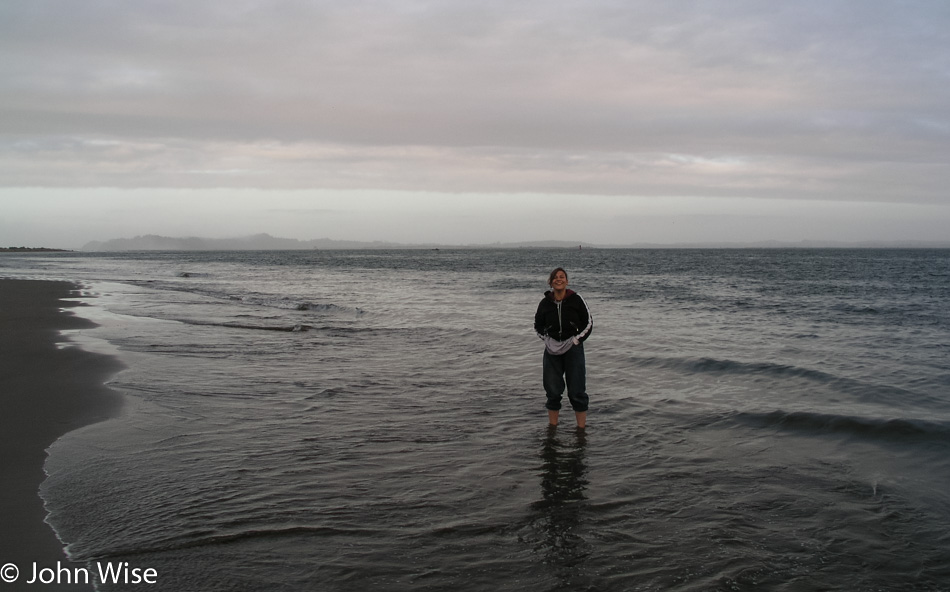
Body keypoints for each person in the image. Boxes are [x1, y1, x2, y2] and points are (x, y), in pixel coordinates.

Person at [534, 267, 593, 428]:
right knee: (553, 391)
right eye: (555, 277)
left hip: (573, 349)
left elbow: (588, 323)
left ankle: (581, 431)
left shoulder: (577, 299)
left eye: (562, 277)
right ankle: (552, 429)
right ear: (550, 282)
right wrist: (546, 340)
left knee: (577, 391)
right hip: (551, 351)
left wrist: (576, 340)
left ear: (567, 281)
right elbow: (537, 325)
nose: (558, 279)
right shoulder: (545, 303)